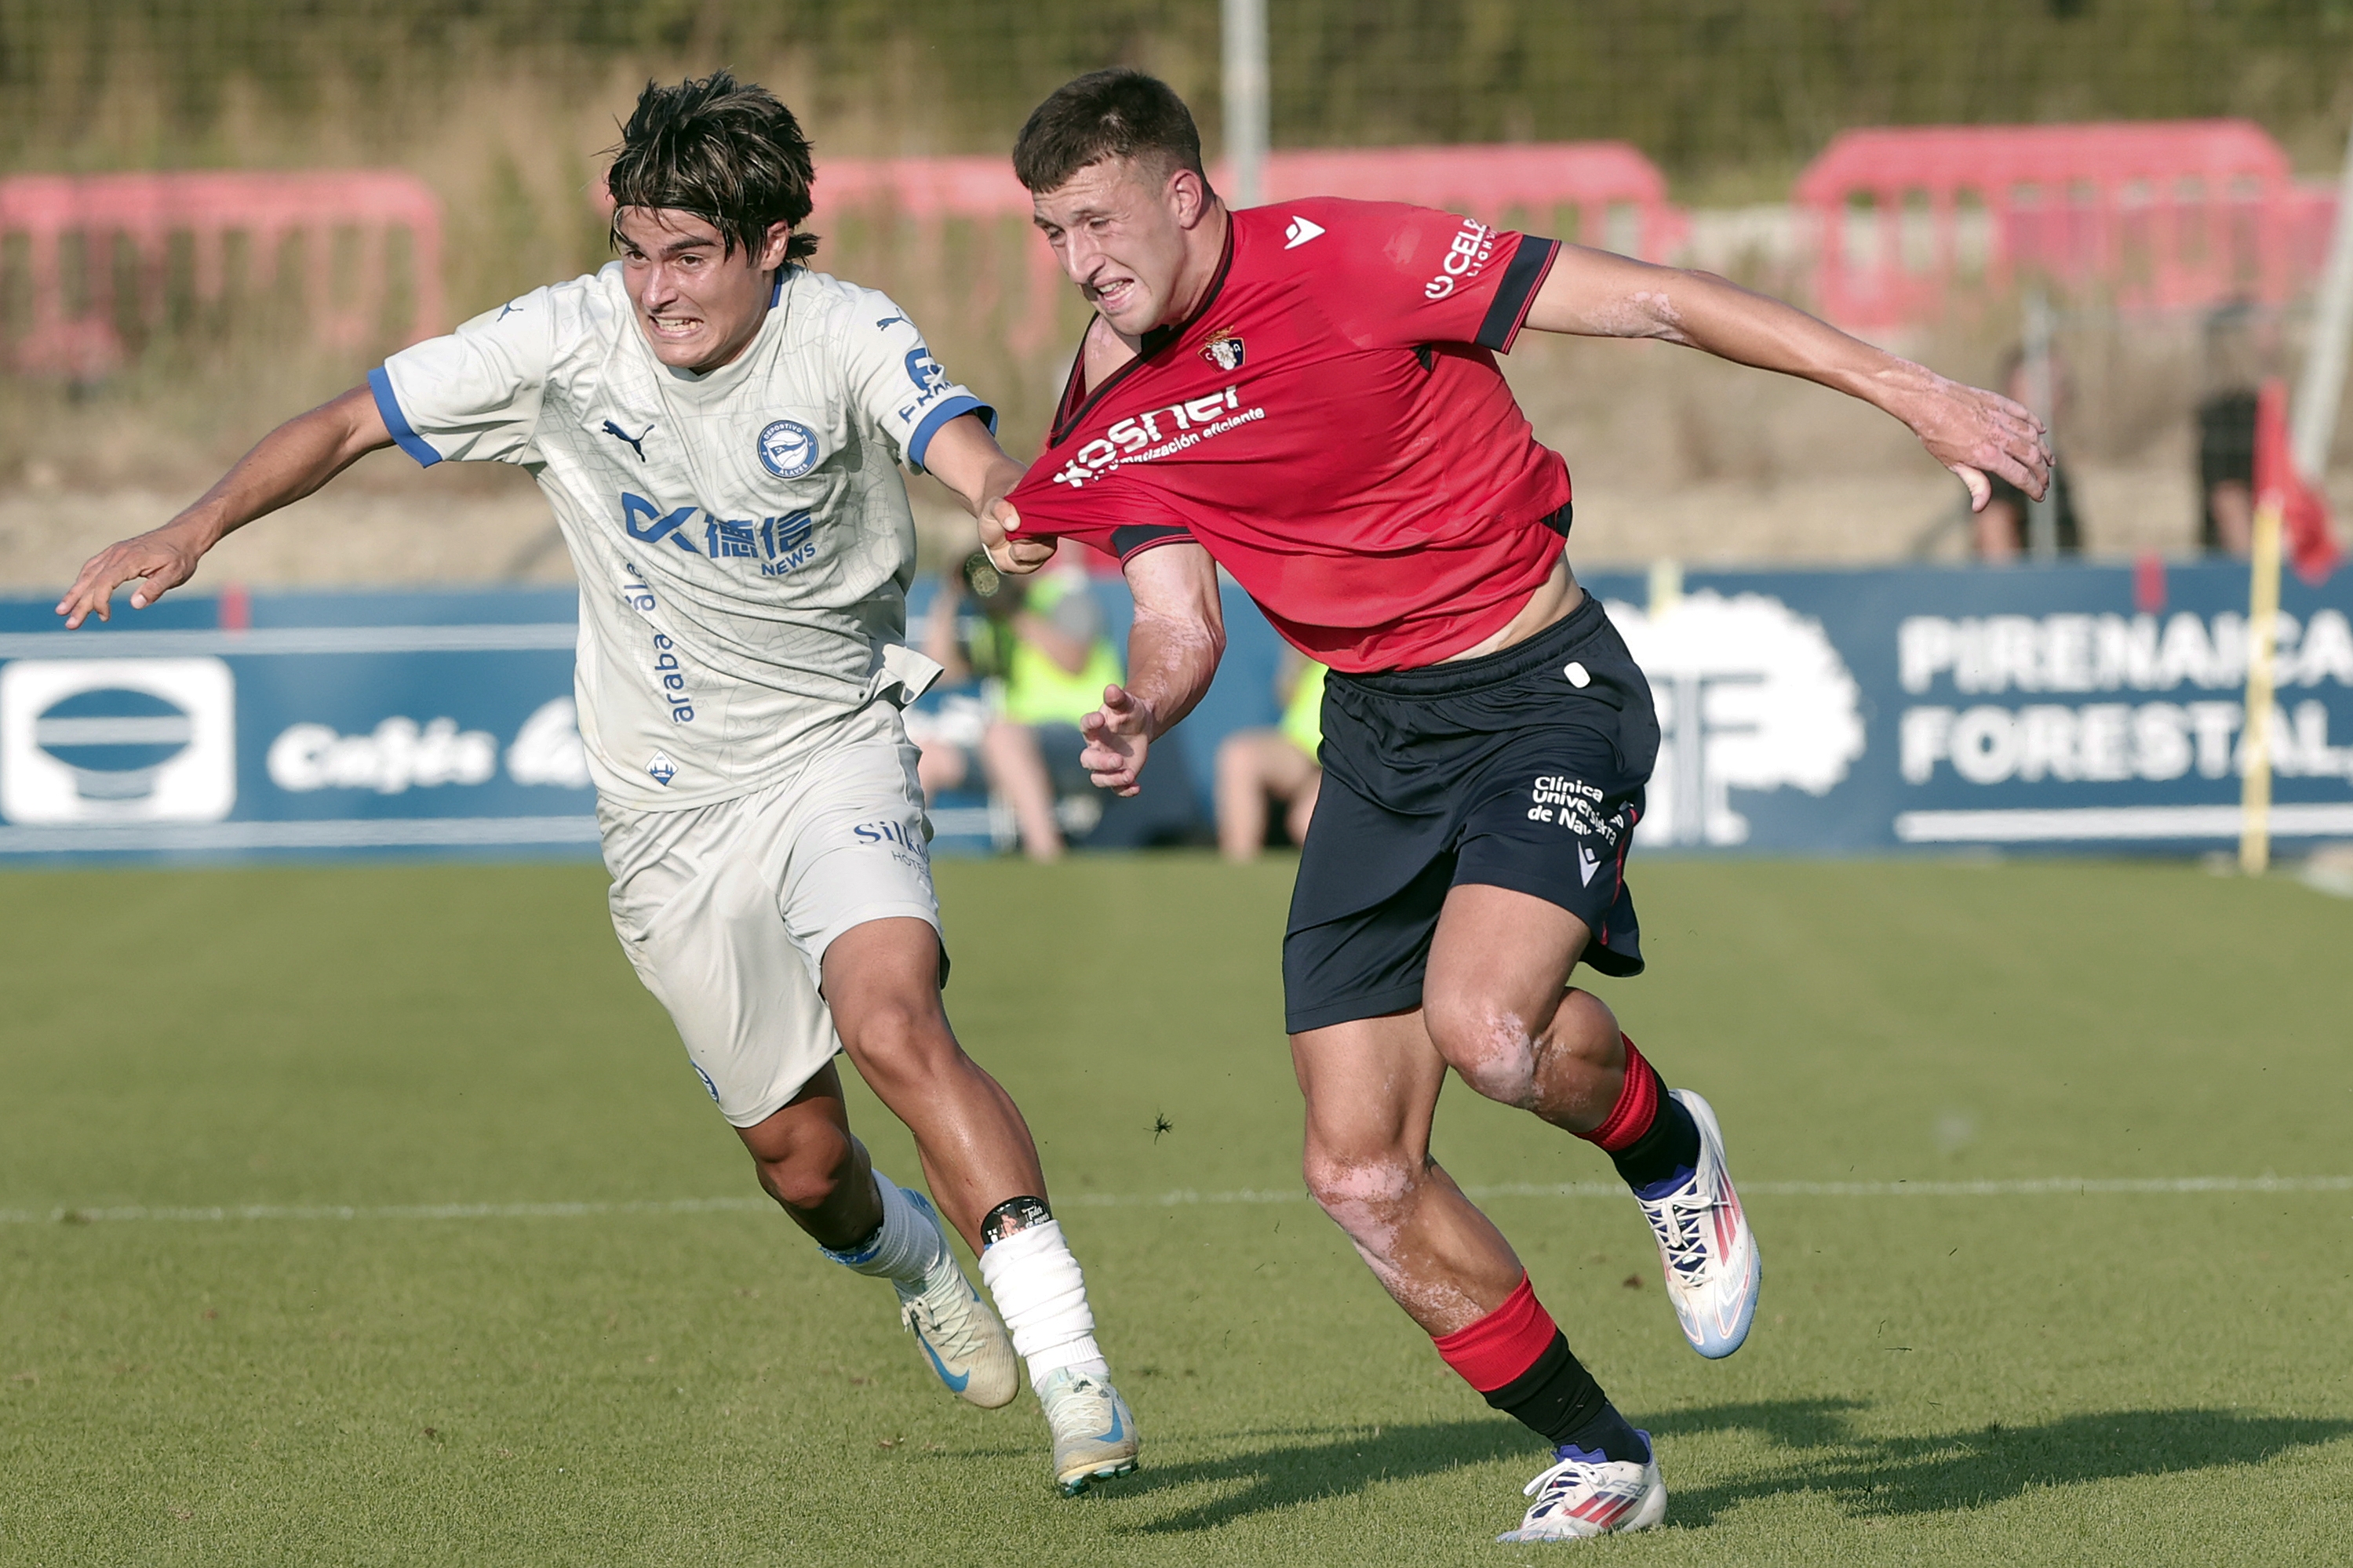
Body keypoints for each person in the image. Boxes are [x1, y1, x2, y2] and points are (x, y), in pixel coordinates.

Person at [982, 70, 2046, 1542]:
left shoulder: (1353, 257)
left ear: (1181, 190)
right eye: (1048, 232)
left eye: (1094, 219)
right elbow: (1179, 608)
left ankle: (1664, 1148)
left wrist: (1904, 386)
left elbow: (1662, 301)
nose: (1079, 260)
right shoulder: (1111, 385)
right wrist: (1146, 696)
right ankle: (1600, 1451)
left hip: (1541, 687)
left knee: (1487, 1030)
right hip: (1370, 741)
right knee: (1354, 1168)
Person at [56, 71, 1141, 1497]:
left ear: (770, 242)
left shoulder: (843, 328)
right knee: (803, 1160)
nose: (653, 289)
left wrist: (994, 491)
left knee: (893, 1016)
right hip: (665, 808)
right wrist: (194, 522)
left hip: (833, 744)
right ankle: (916, 1263)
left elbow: (949, 433)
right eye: (635, 251)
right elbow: (347, 421)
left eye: (688, 255)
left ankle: (1072, 1363)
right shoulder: (559, 341)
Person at [919, 548, 1124, 860]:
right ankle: (904, 861)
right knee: (928, 756)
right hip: (1014, 749)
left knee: (1002, 735)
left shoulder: (1063, 597)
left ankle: (1045, 855)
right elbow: (939, 670)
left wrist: (1013, 609)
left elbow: (1073, 659)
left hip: (1085, 738)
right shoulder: (991, 625)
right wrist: (951, 594)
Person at [1974, 347, 2081, 561]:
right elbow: (1995, 532)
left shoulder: (2041, 454)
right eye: (2046, 383)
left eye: (2061, 384)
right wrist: (2018, 590)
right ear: (2013, 388)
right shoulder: (2005, 454)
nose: (2058, 394)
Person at [1215, 653, 1324, 860]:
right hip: (1300, 748)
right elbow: (1285, 691)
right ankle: (1238, 874)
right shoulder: (1316, 652)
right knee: (1241, 757)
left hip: (1347, 761)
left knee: (1308, 820)